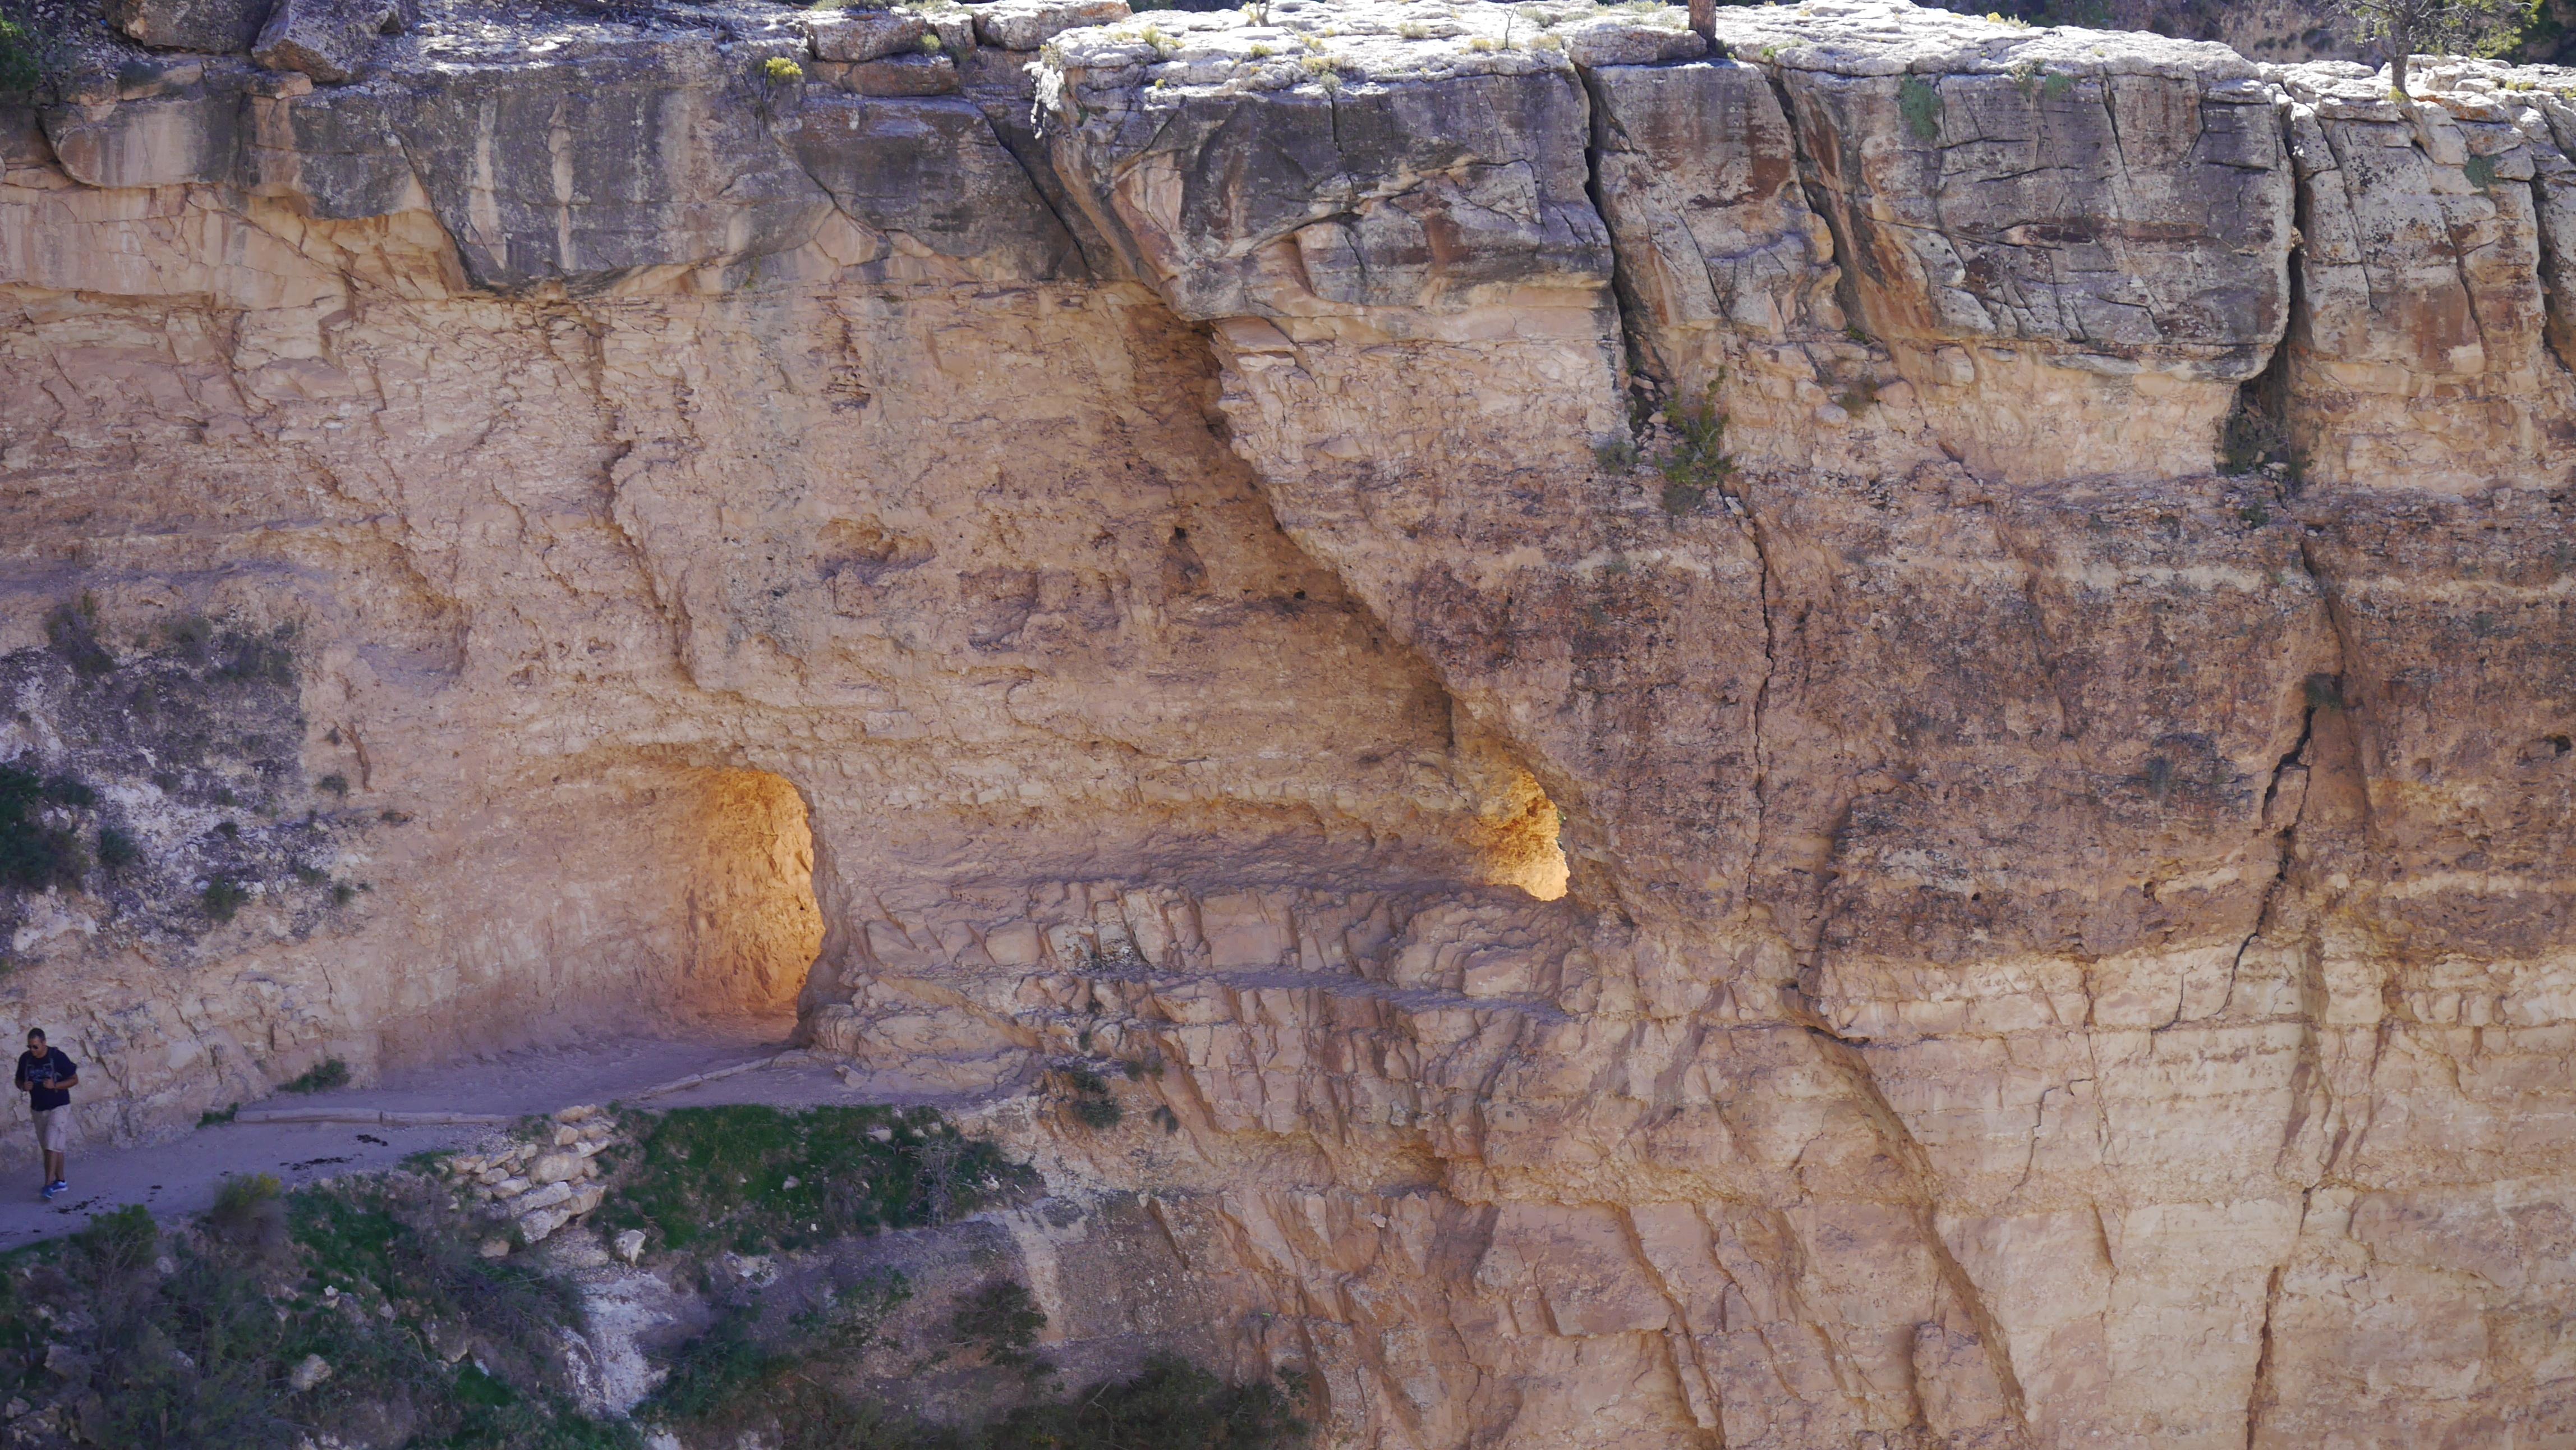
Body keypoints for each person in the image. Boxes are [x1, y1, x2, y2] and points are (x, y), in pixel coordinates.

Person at [13, 1030, 76, 1200]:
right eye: (30, 1046)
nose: (33, 1050)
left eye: (36, 1046)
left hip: (59, 1106)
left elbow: (74, 1079)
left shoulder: (57, 1057)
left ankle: (48, 1185)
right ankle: (61, 1182)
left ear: (44, 1043)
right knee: (53, 1147)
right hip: (38, 1108)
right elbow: (18, 1080)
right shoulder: (26, 1059)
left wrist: (55, 1084)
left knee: (51, 1145)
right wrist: (23, 1086)